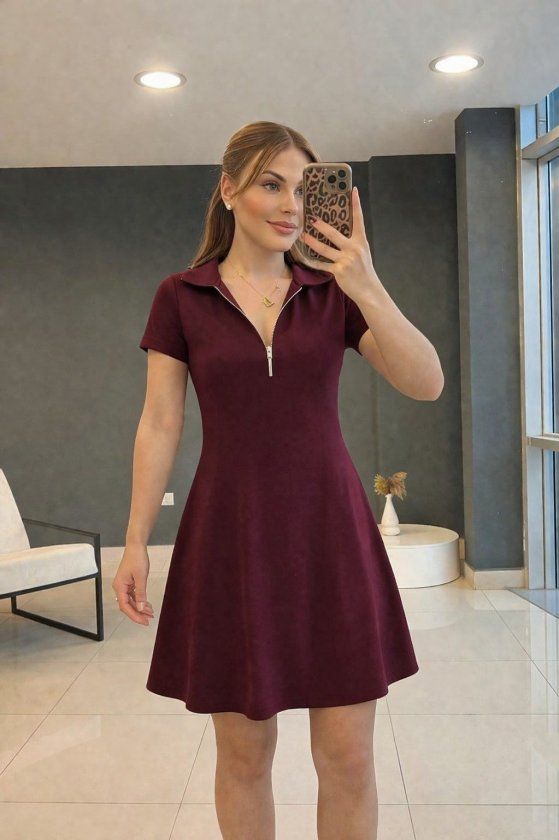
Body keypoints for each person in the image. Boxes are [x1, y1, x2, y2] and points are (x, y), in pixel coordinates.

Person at [112, 120, 424, 839]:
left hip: (331, 538)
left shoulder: (334, 293)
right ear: (229, 190)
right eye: (270, 184)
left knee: (348, 759)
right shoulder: (181, 296)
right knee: (245, 758)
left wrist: (366, 282)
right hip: (231, 539)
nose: (289, 205)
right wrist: (134, 542)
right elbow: (158, 423)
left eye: (302, 189)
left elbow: (425, 381)